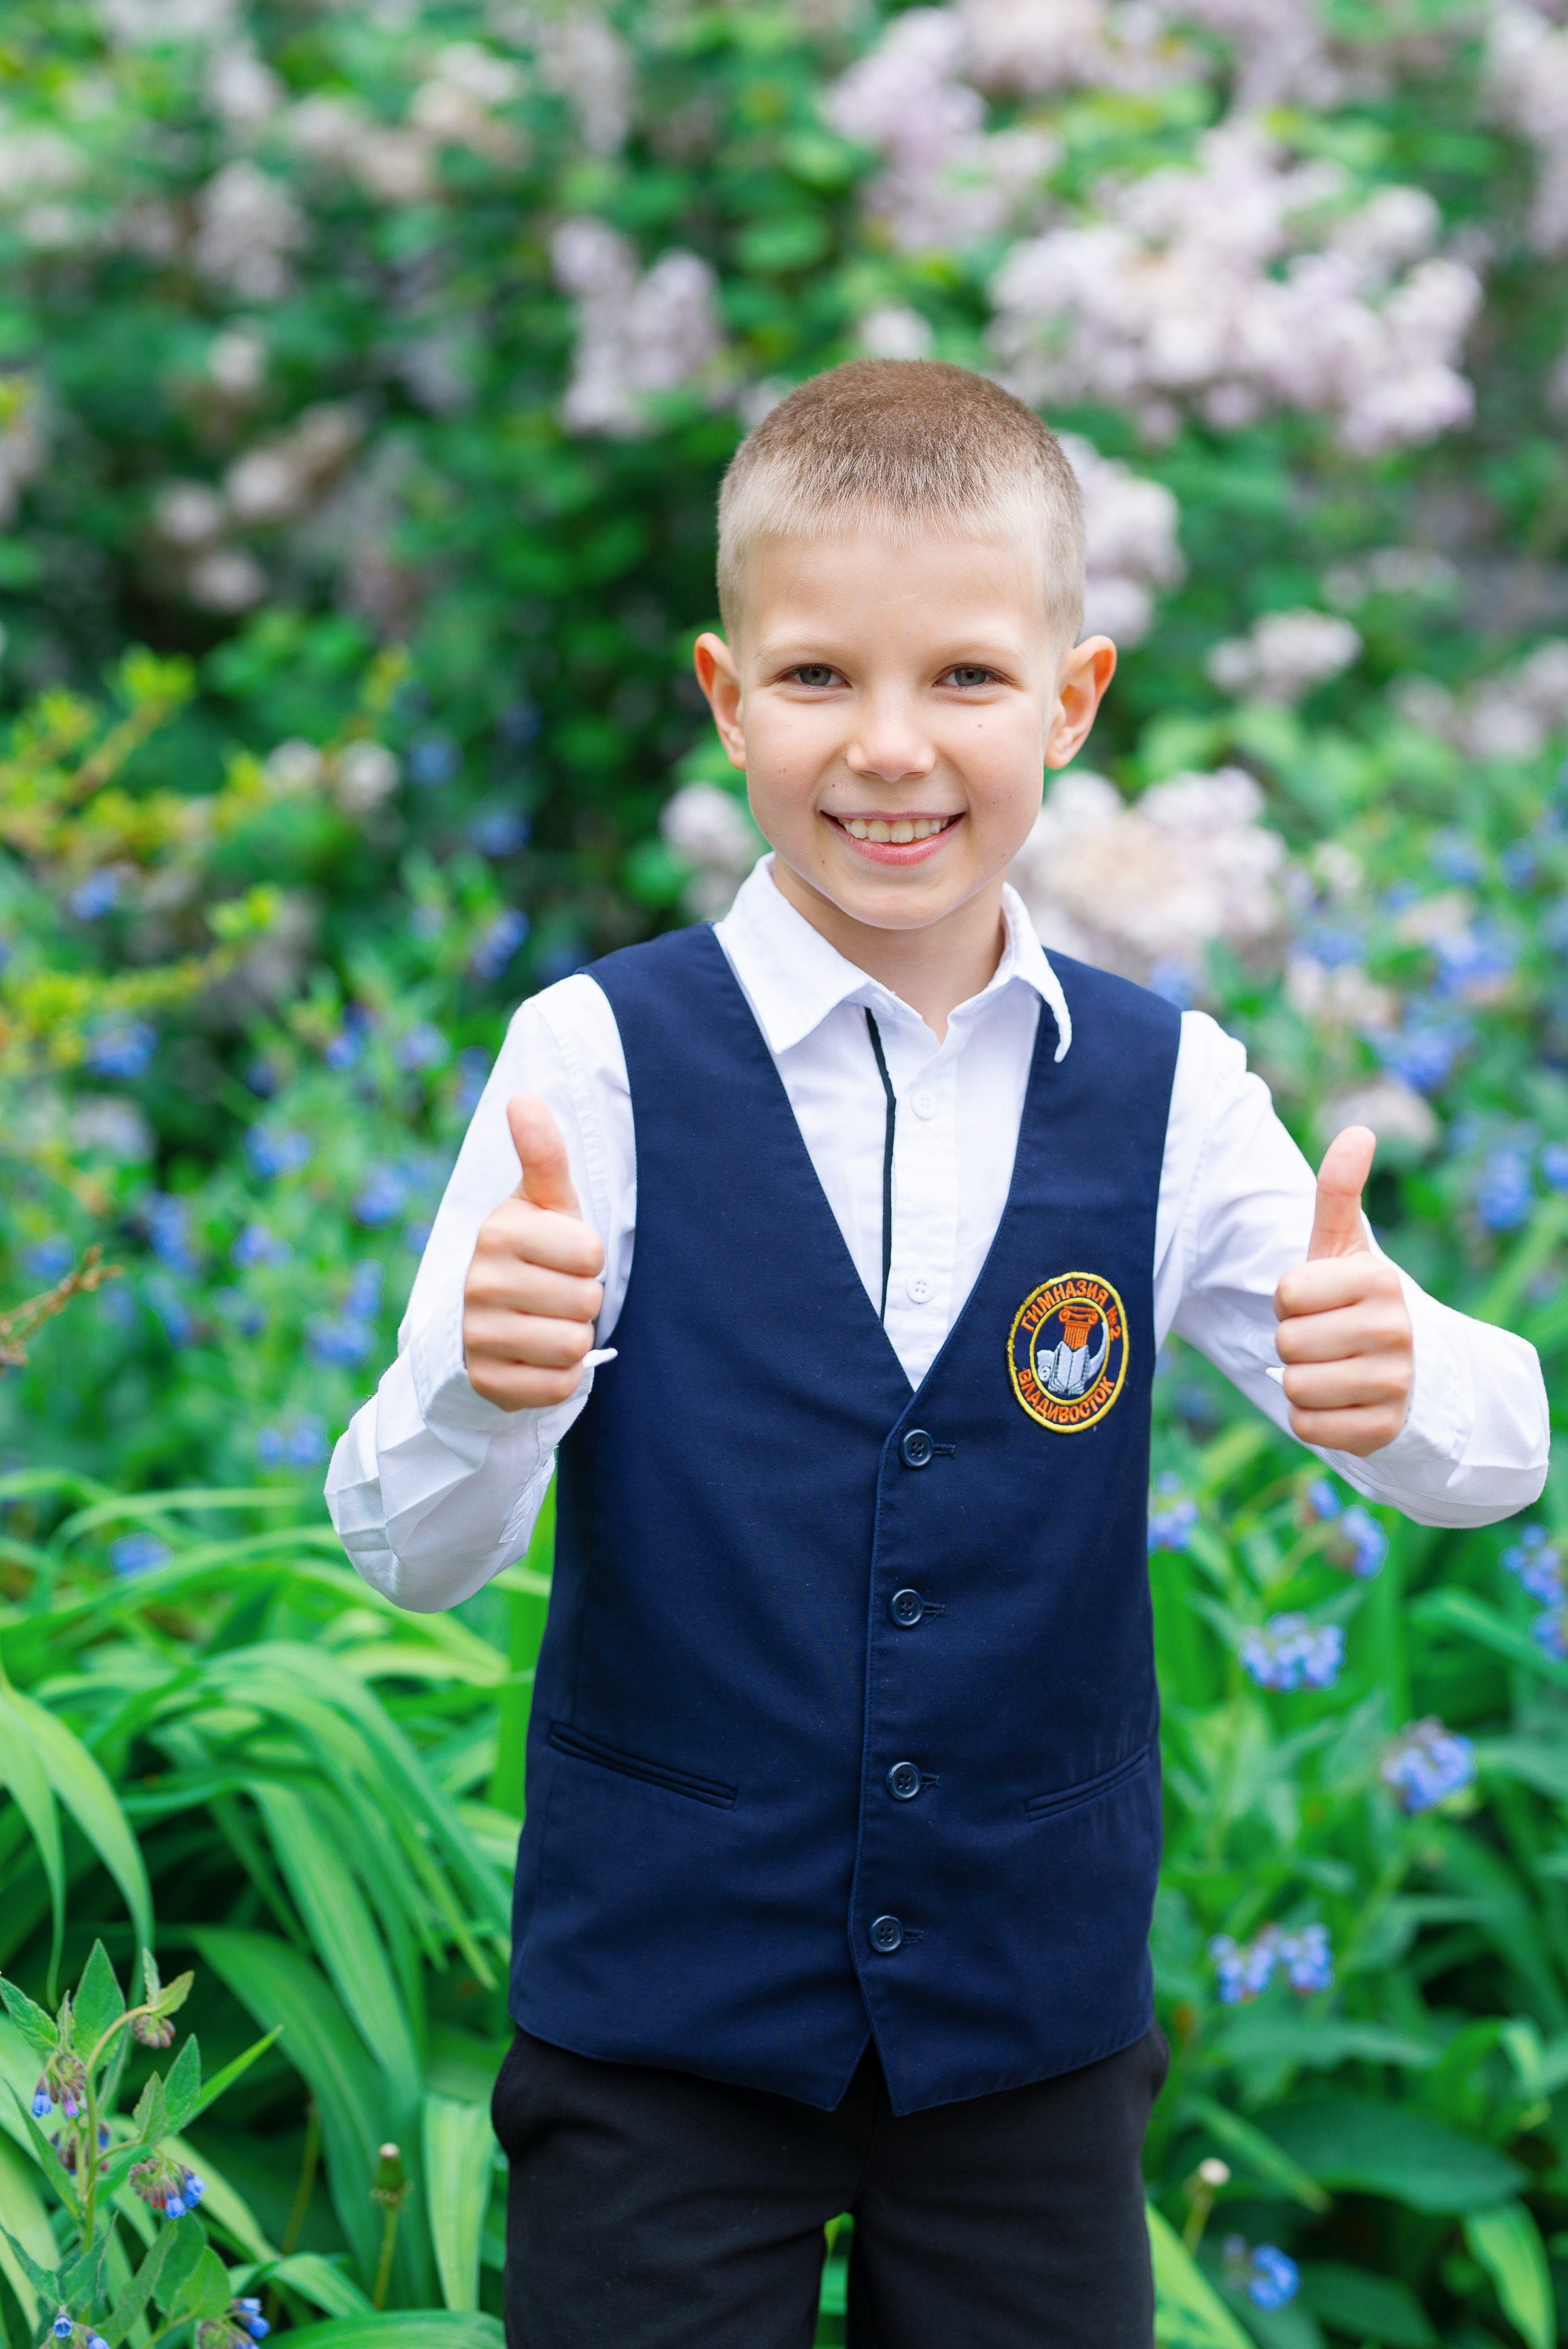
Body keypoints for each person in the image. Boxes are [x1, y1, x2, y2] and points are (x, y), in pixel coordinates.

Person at [326, 360, 1548, 2349]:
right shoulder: (595, 1062)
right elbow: (407, 1549)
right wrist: (489, 1383)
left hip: (1027, 2040)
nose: (890, 750)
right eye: (818, 679)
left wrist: (1399, 1376)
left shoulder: (1169, 1089)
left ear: (1074, 700)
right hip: (662, 2030)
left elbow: (1492, 1450)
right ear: (727, 700)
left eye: (968, 680)